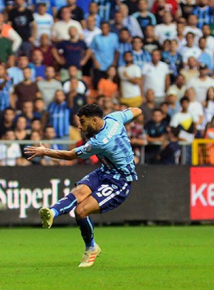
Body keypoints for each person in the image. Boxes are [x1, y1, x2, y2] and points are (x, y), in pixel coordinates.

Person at [24, 105, 142, 268]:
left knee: (81, 211)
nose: (79, 126)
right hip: (104, 171)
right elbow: (137, 110)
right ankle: (52, 212)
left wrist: (45, 151)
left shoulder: (100, 142)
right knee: (79, 191)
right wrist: (124, 127)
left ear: (94, 120)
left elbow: (70, 155)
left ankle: (91, 248)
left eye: (82, 122)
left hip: (119, 181)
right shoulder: (114, 118)